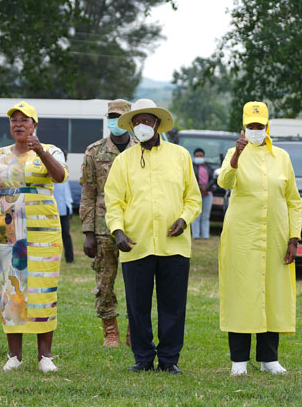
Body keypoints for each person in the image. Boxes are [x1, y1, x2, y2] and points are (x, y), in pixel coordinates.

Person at [104, 98, 201, 373]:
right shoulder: (123, 161)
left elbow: (193, 197)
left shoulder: (180, 155)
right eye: (137, 121)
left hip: (174, 244)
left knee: (173, 305)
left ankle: (169, 359)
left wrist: (184, 219)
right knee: (137, 305)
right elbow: (113, 201)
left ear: (157, 123)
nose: (142, 126)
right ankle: (143, 358)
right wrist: (117, 230)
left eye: (147, 120)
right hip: (136, 243)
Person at [0, 101, 69, 373]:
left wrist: (40, 151)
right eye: (14, 120)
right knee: (11, 290)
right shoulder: (0, 156)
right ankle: (14, 356)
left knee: (43, 289)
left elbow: (60, 176)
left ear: (34, 125)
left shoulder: (51, 150)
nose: (18, 124)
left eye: (24, 120)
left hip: (43, 233)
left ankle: (45, 356)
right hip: (8, 232)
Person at [218, 102, 300, 376]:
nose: (255, 130)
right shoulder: (234, 153)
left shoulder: (282, 157)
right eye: (250, 126)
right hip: (242, 237)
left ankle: (269, 359)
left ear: (268, 127)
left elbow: (293, 200)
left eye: (260, 125)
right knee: (241, 293)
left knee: (273, 292)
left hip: (275, 236)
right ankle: (238, 361)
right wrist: (236, 157)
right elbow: (224, 182)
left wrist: (294, 238)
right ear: (243, 127)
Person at [81, 99, 135, 347]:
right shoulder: (94, 151)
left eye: (119, 117)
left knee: (137, 282)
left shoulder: (141, 149)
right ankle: (110, 329)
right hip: (104, 227)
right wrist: (88, 232)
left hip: (135, 224)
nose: (115, 121)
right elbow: (88, 192)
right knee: (105, 281)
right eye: (111, 117)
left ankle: (134, 329)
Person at [191, 148, 216, 240]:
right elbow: (191, 179)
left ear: (204, 156)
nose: (199, 157)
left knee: (205, 216)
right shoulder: (191, 167)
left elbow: (213, 178)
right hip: (196, 194)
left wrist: (207, 188)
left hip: (208, 194)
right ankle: (196, 235)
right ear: (194, 156)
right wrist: (200, 188)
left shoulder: (208, 167)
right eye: (197, 156)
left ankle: (205, 235)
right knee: (196, 215)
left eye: (201, 156)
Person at [53, 163, 74, 263]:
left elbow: (67, 193)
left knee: (66, 234)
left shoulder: (64, 175)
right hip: (51, 211)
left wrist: (70, 208)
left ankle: (69, 258)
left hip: (63, 210)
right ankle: (54, 258)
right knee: (52, 236)